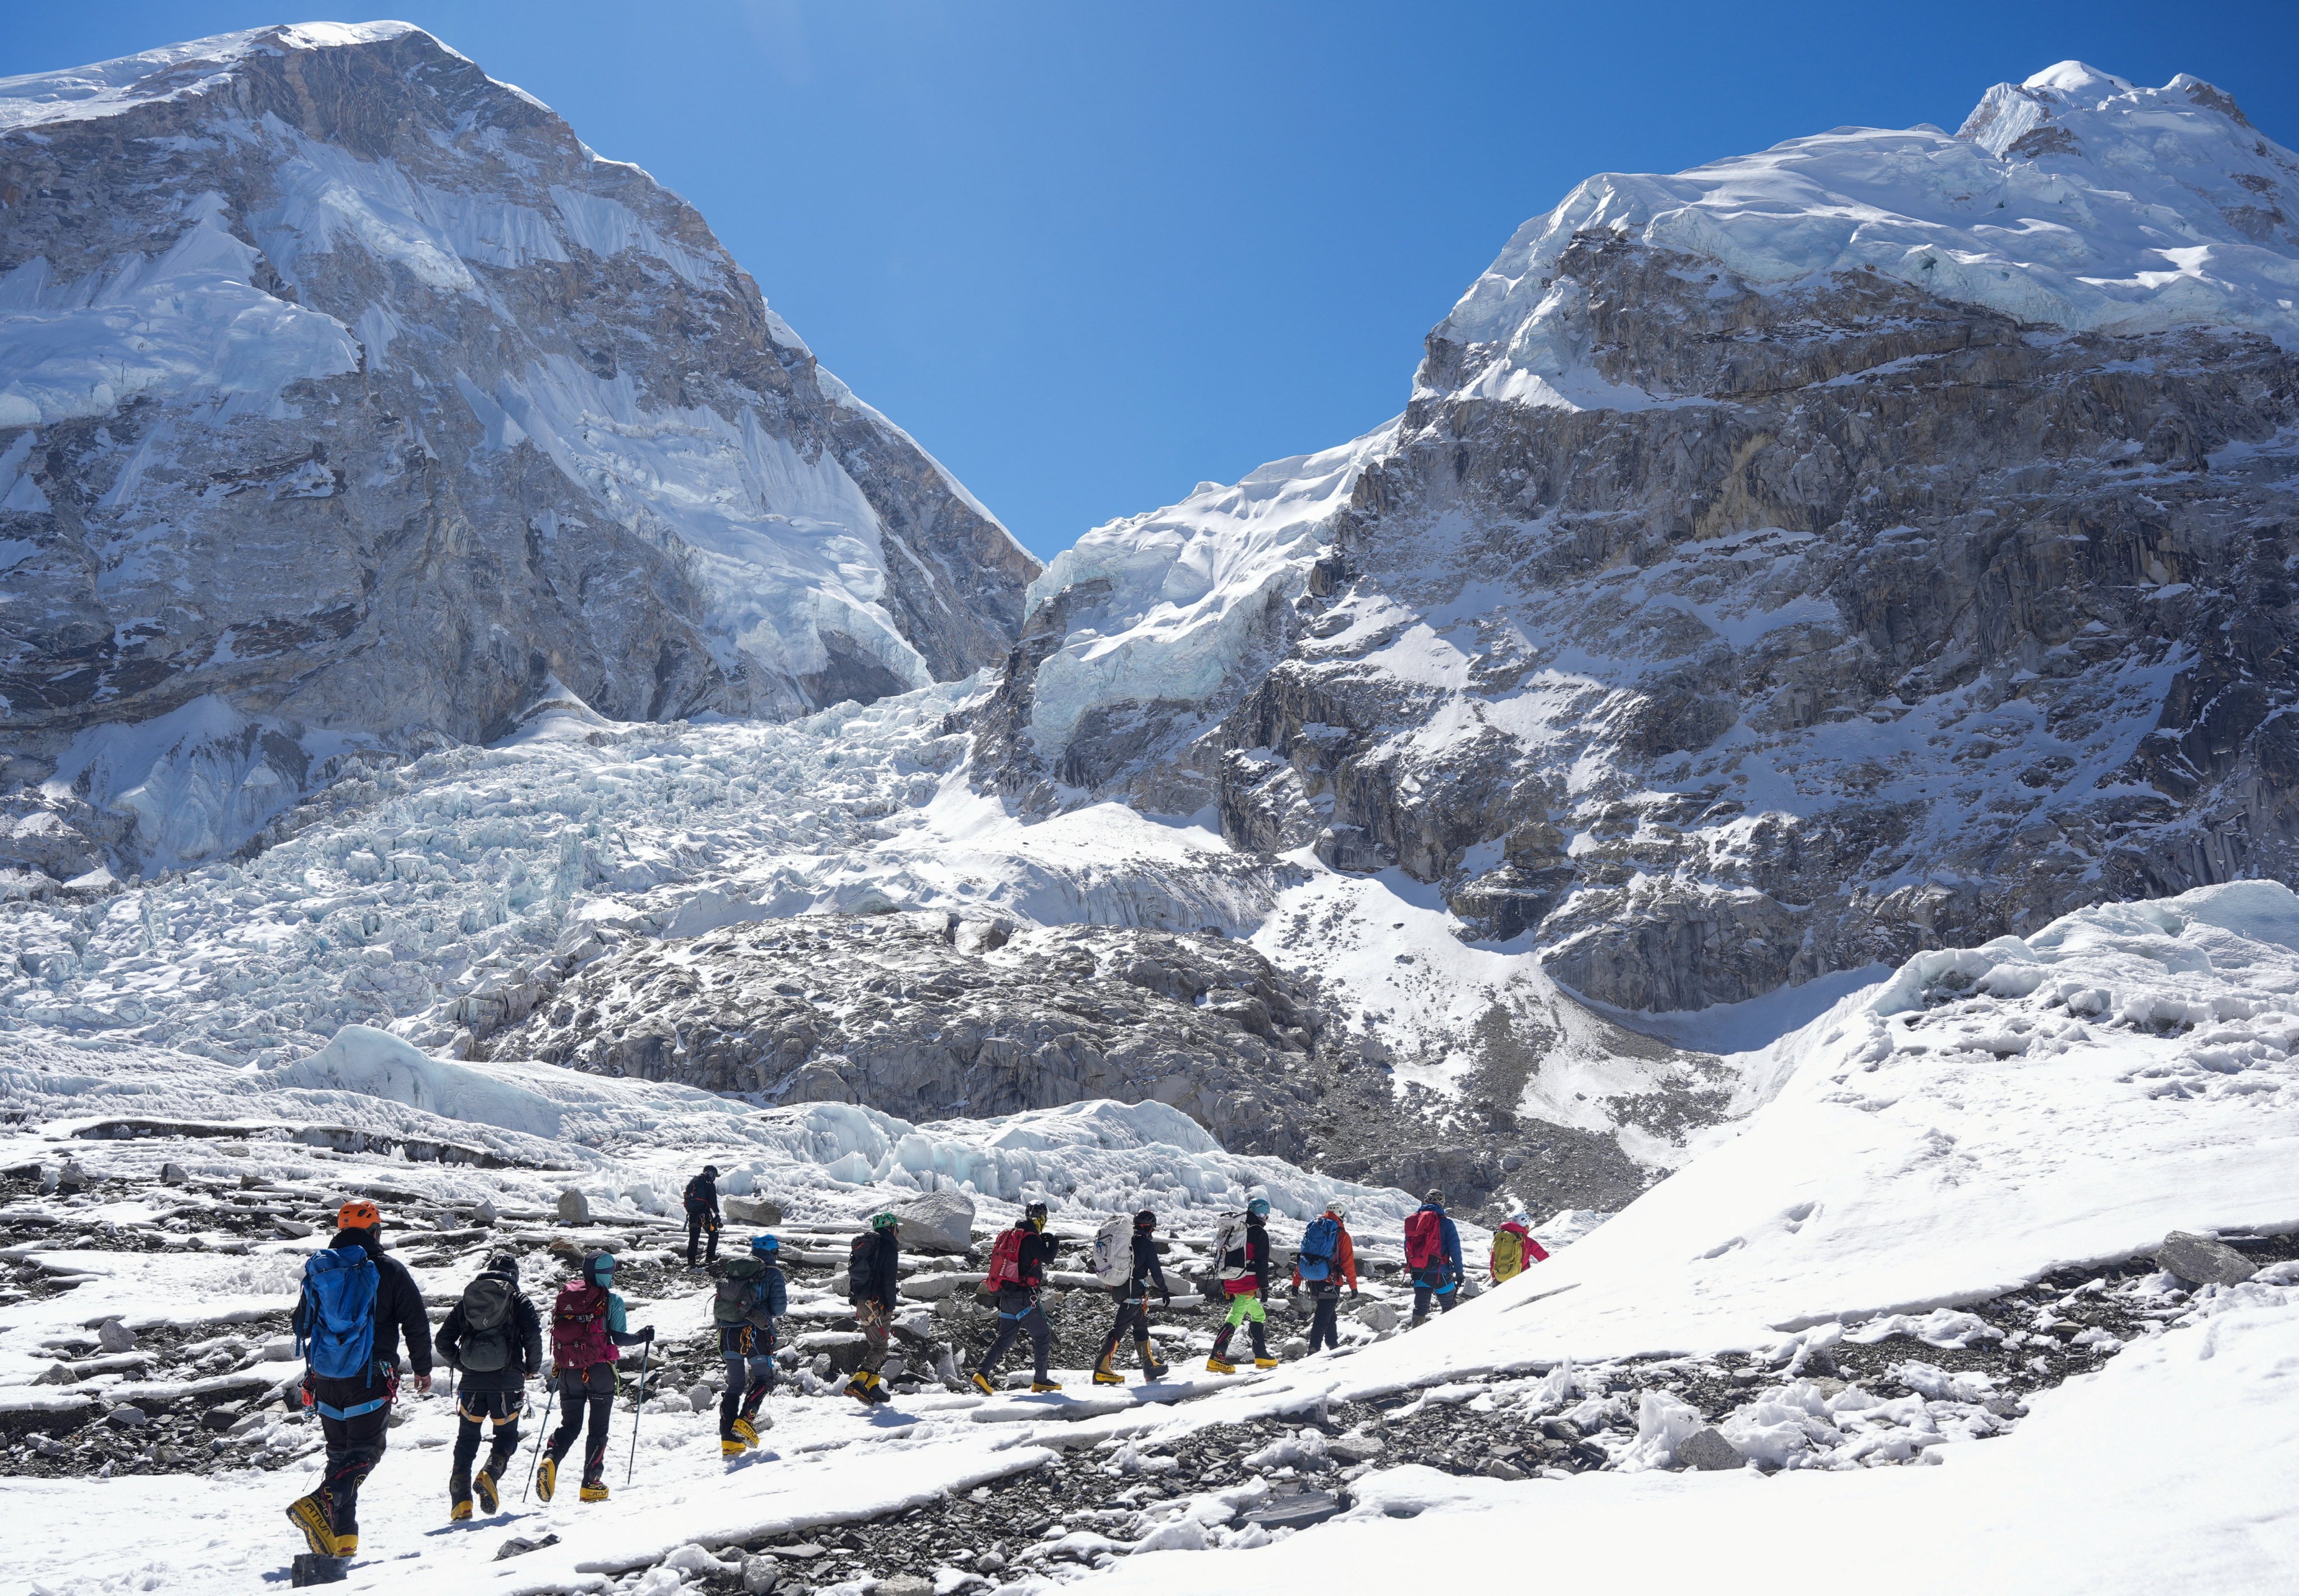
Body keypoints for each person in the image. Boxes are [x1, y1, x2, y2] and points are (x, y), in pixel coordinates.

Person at [285, 1199, 435, 1561]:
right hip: (370, 1376)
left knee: (340, 1458)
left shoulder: (323, 1271)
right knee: (366, 1453)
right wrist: (422, 1368)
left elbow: (300, 1324)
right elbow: (415, 1322)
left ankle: (341, 1541)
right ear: (375, 1231)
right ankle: (322, 1501)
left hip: (327, 1378)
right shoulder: (389, 1270)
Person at [435, 1250, 542, 1521]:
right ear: (514, 1275)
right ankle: (490, 1474)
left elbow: (442, 1342)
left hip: (472, 1383)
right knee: (506, 1437)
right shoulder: (519, 1300)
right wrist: (530, 1368)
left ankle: (461, 1503)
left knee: (467, 1439)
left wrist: (464, 1366)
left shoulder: (468, 1301)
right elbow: (533, 1337)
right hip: (508, 1381)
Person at [539, 1251, 654, 1503]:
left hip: (569, 1371)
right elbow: (620, 1338)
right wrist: (644, 1336)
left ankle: (551, 1458)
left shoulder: (568, 1297)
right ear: (607, 1274)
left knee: (570, 1426)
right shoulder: (611, 1300)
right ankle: (591, 1483)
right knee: (598, 1429)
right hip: (599, 1373)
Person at [969, 1200, 1061, 1394]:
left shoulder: (1014, 1235)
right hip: (1025, 1298)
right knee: (1042, 1335)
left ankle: (981, 1373)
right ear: (1042, 1219)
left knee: (1005, 1339)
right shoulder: (1032, 1238)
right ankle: (1041, 1380)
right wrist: (1053, 1241)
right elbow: (1049, 1257)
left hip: (1007, 1296)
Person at [712, 1235, 787, 1454]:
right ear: (775, 1252)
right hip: (756, 1333)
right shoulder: (772, 1273)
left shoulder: (734, 1273)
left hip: (727, 1333)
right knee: (763, 1378)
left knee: (735, 1385)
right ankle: (746, 1419)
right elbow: (779, 1308)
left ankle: (729, 1439)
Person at [1093, 1209, 1171, 1385]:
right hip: (1134, 1293)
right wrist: (1164, 1290)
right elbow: (1156, 1271)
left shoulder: (1128, 1240)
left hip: (1121, 1289)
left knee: (1141, 1327)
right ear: (1150, 1228)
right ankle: (1101, 1369)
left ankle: (1149, 1366)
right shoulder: (1147, 1244)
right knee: (1119, 1329)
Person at [1207, 1197, 1276, 1373]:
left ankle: (1261, 1355)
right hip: (1248, 1281)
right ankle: (1217, 1356)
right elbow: (1261, 1262)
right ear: (1260, 1214)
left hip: (1232, 1278)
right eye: (1264, 1215)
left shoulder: (1239, 1230)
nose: (1265, 1219)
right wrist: (1264, 1286)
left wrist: (1224, 1282)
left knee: (1258, 1314)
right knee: (1236, 1316)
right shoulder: (1259, 1233)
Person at [844, 1212, 902, 1404]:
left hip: (862, 1303)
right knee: (881, 1347)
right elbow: (889, 1279)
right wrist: (890, 1306)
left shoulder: (868, 1247)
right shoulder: (888, 1247)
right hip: (878, 1304)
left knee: (876, 1344)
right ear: (891, 1227)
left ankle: (873, 1386)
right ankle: (858, 1381)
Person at [1292, 1203, 1359, 1355]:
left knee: (1328, 1312)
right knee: (1323, 1315)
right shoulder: (1341, 1234)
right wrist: (1353, 1286)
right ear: (1341, 1213)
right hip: (1331, 1279)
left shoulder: (1314, 1228)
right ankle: (1314, 1348)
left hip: (1312, 1278)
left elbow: (1305, 1255)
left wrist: (1296, 1282)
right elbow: (1348, 1262)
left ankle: (1332, 1343)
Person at [1405, 1191, 1464, 1324]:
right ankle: (1452, 1335)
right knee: (1450, 1307)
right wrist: (1459, 1272)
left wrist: (1413, 1267)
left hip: (1418, 1272)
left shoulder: (1414, 1221)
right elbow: (1455, 1250)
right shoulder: (1446, 1223)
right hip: (1440, 1273)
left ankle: (1416, 1336)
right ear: (1441, 1204)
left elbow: (1407, 1246)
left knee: (1420, 1308)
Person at [1489, 1214, 1549, 1284]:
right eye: (1528, 1227)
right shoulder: (1527, 1241)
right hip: (1520, 1279)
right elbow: (1545, 1258)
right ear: (1526, 1227)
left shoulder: (1501, 1239)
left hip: (1500, 1278)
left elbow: (1494, 1260)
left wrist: (1495, 1277)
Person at [684, 1165, 723, 1268]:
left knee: (694, 1237)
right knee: (714, 1233)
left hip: (693, 1214)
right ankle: (710, 1258)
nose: (714, 1178)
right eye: (714, 1175)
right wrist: (717, 1214)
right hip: (704, 1214)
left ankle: (691, 1261)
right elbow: (712, 1200)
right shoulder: (708, 1183)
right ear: (712, 1173)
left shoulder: (695, 1181)